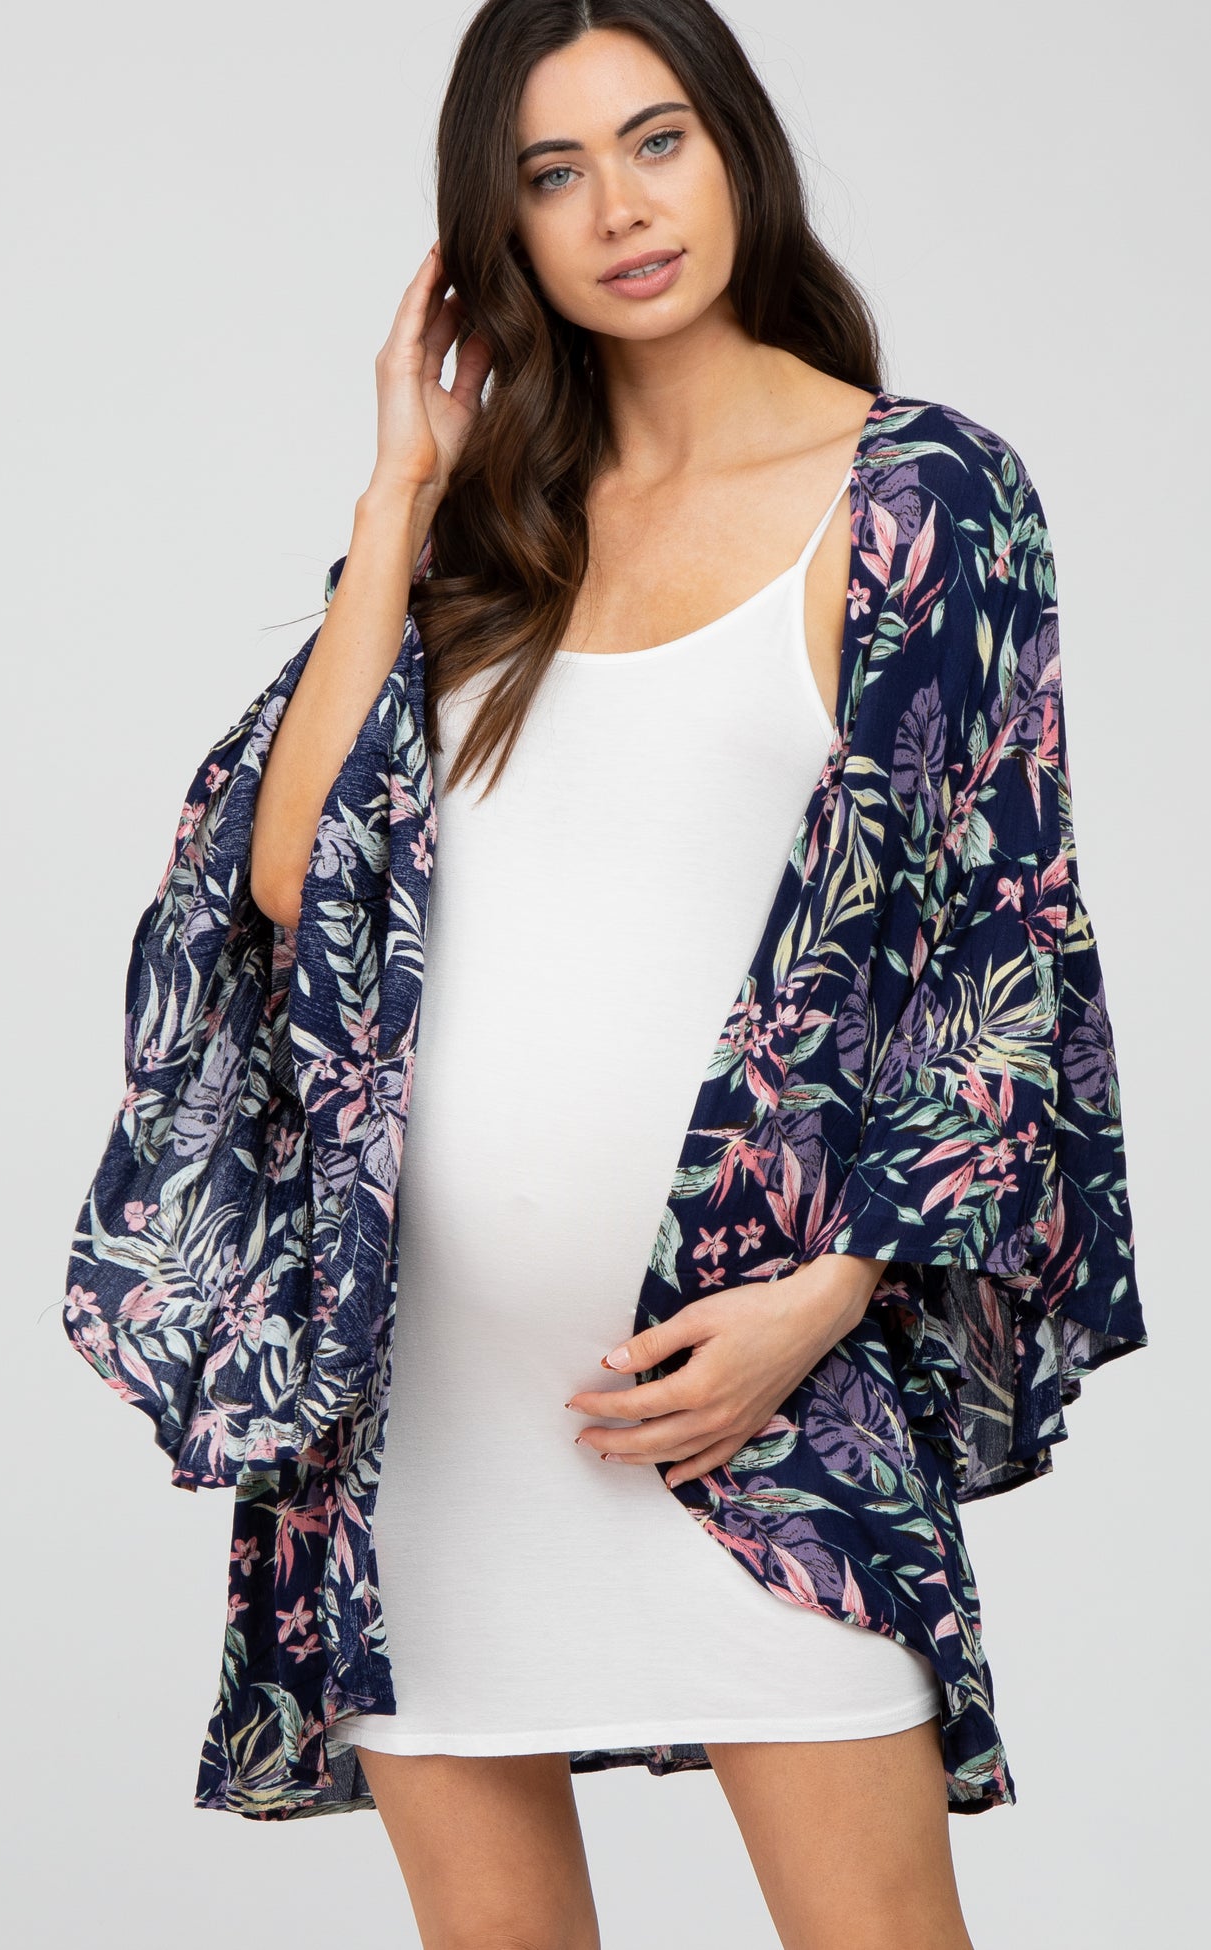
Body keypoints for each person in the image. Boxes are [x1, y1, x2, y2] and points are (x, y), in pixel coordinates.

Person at [244, 4, 984, 1944]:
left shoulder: (914, 491)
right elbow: (291, 879)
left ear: (734, 145)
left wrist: (822, 1304)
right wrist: (399, 494)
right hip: (435, 1413)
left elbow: (988, 951)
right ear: (495, 228)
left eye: (655, 143)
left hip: (747, 1395)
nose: (618, 209)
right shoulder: (481, 532)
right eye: (550, 173)